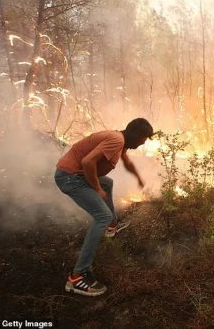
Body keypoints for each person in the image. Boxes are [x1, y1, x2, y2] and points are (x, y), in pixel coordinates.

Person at [55, 118, 154, 296]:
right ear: (136, 135)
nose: (141, 144)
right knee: (102, 216)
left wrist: (138, 178)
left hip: (75, 174)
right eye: (142, 140)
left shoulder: (121, 140)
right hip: (70, 177)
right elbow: (87, 162)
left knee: (107, 183)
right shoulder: (116, 140)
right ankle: (76, 278)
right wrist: (96, 188)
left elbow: (128, 163)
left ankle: (112, 227)